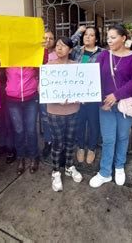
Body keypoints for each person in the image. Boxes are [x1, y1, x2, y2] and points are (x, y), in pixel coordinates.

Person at [89, 24, 132, 188]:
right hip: (105, 106)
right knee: (108, 139)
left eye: (113, 37)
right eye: (108, 37)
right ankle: (105, 172)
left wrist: (116, 95)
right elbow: (94, 77)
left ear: (123, 38)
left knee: (122, 137)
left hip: (124, 105)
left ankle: (119, 166)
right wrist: (100, 101)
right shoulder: (104, 55)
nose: (109, 40)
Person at [47, 37, 84, 191]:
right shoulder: (49, 66)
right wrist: (56, 99)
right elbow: (41, 89)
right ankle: (55, 171)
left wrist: (84, 95)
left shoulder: (76, 67)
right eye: (57, 46)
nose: (59, 48)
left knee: (70, 141)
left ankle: (69, 166)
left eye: (63, 46)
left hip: (73, 110)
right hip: (55, 111)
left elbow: (83, 87)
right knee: (58, 143)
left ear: (70, 49)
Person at [70, 25, 103, 164]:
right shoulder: (77, 51)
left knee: (94, 123)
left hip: (93, 96)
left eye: (91, 35)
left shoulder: (102, 53)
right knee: (80, 123)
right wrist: (78, 32)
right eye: (86, 35)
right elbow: (67, 43)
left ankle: (91, 148)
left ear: (96, 39)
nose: (87, 37)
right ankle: (81, 147)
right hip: (78, 96)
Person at [6, 65, 40, 175]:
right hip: (12, 99)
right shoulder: (7, 55)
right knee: (19, 130)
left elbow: (43, 62)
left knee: (31, 129)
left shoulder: (31, 54)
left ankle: (33, 156)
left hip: (31, 97)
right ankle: (20, 157)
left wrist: (43, 48)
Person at [40, 30, 57, 158]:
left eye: (51, 38)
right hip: (42, 92)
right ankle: (48, 141)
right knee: (45, 118)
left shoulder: (58, 54)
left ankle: (57, 141)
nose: (48, 40)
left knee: (56, 118)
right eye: (45, 38)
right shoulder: (35, 54)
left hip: (56, 91)